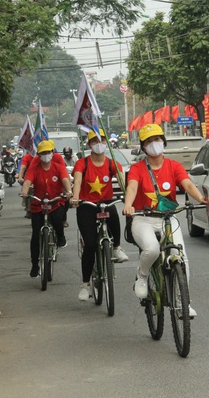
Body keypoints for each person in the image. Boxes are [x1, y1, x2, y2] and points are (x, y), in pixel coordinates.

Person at [122, 124, 209, 318]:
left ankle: (182, 302)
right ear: (144, 147)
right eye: (150, 141)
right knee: (152, 249)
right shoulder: (137, 169)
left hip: (168, 219)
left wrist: (200, 199)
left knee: (182, 257)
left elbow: (187, 183)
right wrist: (129, 205)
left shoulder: (173, 166)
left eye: (158, 139)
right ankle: (142, 276)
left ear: (164, 141)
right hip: (142, 219)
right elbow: (132, 188)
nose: (155, 144)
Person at [70, 129, 129, 301]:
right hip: (87, 206)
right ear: (89, 145)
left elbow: (121, 180)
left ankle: (116, 247)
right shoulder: (82, 163)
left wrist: (127, 194)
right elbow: (78, 181)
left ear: (107, 142)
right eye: (95, 141)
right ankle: (85, 284)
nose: (99, 144)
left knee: (115, 217)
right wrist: (75, 197)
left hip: (106, 203)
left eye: (102, 140)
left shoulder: (112, 163)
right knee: (89, 245)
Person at [21, 140, 73, 278]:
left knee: (57, 220)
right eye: (43, 153)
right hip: (38, 205)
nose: (46, 155)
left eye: (48, 152)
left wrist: (68, 191)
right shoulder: (34, 168)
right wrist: (24, 192)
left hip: (55, 202)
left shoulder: (58, 167)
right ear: (39, 154)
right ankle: (34, 265)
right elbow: (27, 181)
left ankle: (60, 236)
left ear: (52, 153)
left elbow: (65, 180)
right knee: (35, 236)